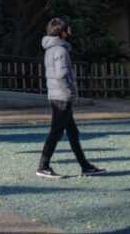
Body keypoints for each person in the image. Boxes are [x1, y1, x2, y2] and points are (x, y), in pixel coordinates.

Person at [37, 17, 106, 178]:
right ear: (61, 32)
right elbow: (62, 74)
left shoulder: (51, 49)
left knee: (72, 132)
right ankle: (43, 166)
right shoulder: (60, 50)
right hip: (62, 96)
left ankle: (85, 166)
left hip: (56, 95)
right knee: (56, 132)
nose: (70, 32)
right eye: (68, 29)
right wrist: (71, 89)